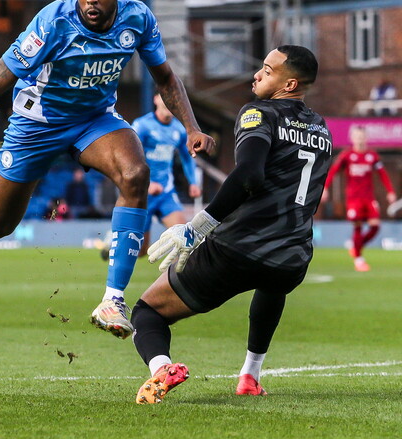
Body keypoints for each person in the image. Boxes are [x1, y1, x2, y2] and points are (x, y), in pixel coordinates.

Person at [0, 0, 214, 339]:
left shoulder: (139, 18)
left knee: (136, 174)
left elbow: (166, 78)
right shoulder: (52, 22)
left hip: (94, 119)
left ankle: (112, 300)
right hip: (37, 123)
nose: (91, 0)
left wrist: (192, 127)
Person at [129, 46, 331, 403]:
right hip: (293, 257)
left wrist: (196, 227)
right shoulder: (321, 128)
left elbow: (249, 175)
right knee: (273, 285)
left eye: (267, 71)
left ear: (290, 83)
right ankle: (250, 376)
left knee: (148, 312)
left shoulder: (258, 113)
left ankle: (162, 368)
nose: (257, 75)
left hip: (238, 248)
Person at [131, 92, 203, 256]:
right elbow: (130, 157)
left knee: (185, 239)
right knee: (140, 251)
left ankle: (181, 279)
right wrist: (147, 183)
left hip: (166, 193)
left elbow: (187, 156)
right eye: (166, 98)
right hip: (142, 194)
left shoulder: (178, 129)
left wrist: (192, 182)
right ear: (156, 99)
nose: (170, 102)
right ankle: (110, 245)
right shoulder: (142, 125)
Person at [320, 124, 396, 271]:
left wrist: (390, 191)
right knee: (358, 226)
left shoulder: (372, 156)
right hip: (353, 199)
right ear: (352, 138)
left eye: (362, 137)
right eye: (357, 137)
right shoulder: (347, 156)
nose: (360, 140)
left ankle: (356, 246)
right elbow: (333, 171)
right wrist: (325, 188)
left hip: (369, 198)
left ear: (366, 138)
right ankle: (359, 259)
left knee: (375, 226)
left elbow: (383, 174)